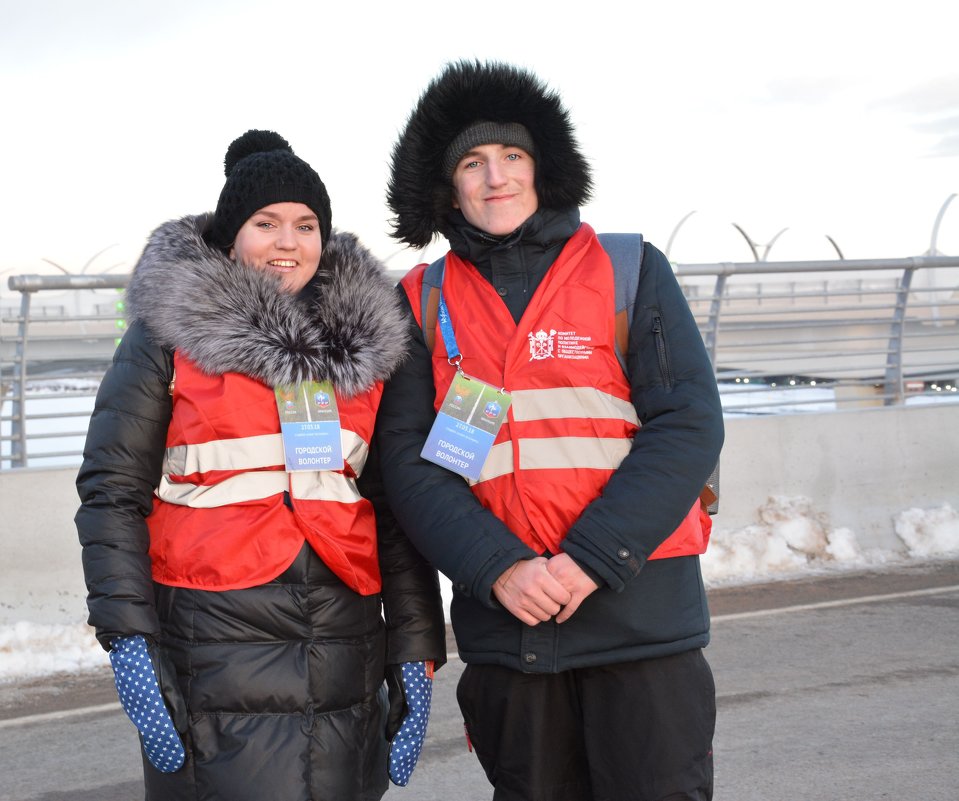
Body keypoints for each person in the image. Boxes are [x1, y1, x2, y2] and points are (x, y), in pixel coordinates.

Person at [375, 61, 724, 801]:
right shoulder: (418, 299)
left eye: (511, 157)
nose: (494, 177)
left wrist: (590, 558)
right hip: (510, 629)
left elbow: (686, 424)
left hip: (639, 619)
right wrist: (499, 566)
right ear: (448, 185)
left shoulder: (628, 268)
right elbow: (408, 464)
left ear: (543, 168)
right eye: (472, 162)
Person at [75, 129, 446, 801]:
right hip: (213, 635)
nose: (287, 242)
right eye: (265, 222)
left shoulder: (371, 349)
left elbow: (393, 505)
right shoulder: (166, 337)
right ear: (230, 235)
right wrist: (127, 636)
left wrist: (416, 647)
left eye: (306, 225)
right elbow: (111, 491)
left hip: (345, 633)